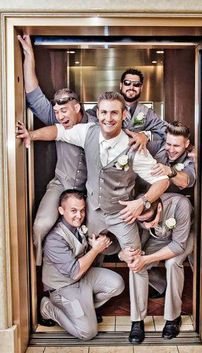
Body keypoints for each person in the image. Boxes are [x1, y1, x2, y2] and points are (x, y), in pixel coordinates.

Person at [16, 91, 169, 344]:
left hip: (123, 216)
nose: (108, 118)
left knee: (136, 262)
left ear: (123, 115)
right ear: (96, 114)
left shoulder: (134, 147)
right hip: (93, 212)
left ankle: (137, 321)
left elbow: (162, 180)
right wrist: (31, 135)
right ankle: (86, 306)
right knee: (91, 254)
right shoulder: (87, 132)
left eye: (114, 113)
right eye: (104, 112)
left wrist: (142, 202)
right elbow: (57, 131)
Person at [17, 34, 94, 266]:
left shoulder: (97, 123)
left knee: (96, 231)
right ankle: (39, 272)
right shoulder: (57, 119)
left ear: (77, 107)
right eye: (57, 113)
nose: (60, 117)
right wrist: (29, 54)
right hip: (60, 184)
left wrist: (141, 135)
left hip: (89, 191)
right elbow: (33, 93)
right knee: (41, 225)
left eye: (65, 112)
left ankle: (87, 275)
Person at [40, 189, 124, 340]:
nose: (79, 216)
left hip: (83, 278)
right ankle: (48, 308)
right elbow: (74, 272)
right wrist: (96, 250)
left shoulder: (79, 226)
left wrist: (100, 243)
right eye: (73, 211)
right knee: (87, 333)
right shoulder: (54, 239)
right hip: (64, 286)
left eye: (82, 210)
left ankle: (86, 308)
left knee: (117, 284)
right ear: (61, 210)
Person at [119, 192, 194, 340]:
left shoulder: (180, 204)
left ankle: (173, 318)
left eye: (150, 219)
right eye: (142, 222)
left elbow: (178, 246)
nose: (147, 225)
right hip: (158, 238)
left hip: (183, 237)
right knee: (136, 262)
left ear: (159, 207)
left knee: (172, 263)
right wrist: (126, 255)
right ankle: (137, 320)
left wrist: (146, 259)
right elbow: (125, 244)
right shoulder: (136, 210)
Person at [87, 67, 167, 154]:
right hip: (106, 156)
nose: (131, 87)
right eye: (127, 83)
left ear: (141, 87)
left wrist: (146, 135)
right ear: (121, 85)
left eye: (136, 84)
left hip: (133, 159)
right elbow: (87, 119)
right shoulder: (107, 104)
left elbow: (165, 131)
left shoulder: (146, 112)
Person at [151, 121, 196, 193]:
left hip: (168, 197)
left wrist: (169, 171)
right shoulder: (157, 146)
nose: (171, 150)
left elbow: (185, 181)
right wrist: (143, 136)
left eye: (176, 146)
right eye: (168, 144)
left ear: (186, 144)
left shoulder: (190, 160)